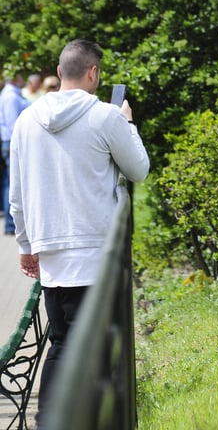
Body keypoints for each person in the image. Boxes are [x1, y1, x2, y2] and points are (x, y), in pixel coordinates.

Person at [9, 39, 150, 425]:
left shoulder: (26, 120)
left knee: (61, 343)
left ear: (59, 73)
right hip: (99, 253)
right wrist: (128, 122)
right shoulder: (106, 116)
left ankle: (49, 421)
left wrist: (25, 246)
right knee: (105, 348)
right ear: (93, 73)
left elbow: (16, 197)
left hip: (52, 252)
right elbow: (138, 170)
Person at [0, 73, 30, 234]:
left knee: (9, 183)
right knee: (12, 184)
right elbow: (13, 125)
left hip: (7, 142)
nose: (23, 79)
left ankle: (10, 225)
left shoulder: (9, 94)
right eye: (20, 76)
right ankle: (11, 226)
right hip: (11, 142)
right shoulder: (11, 97)